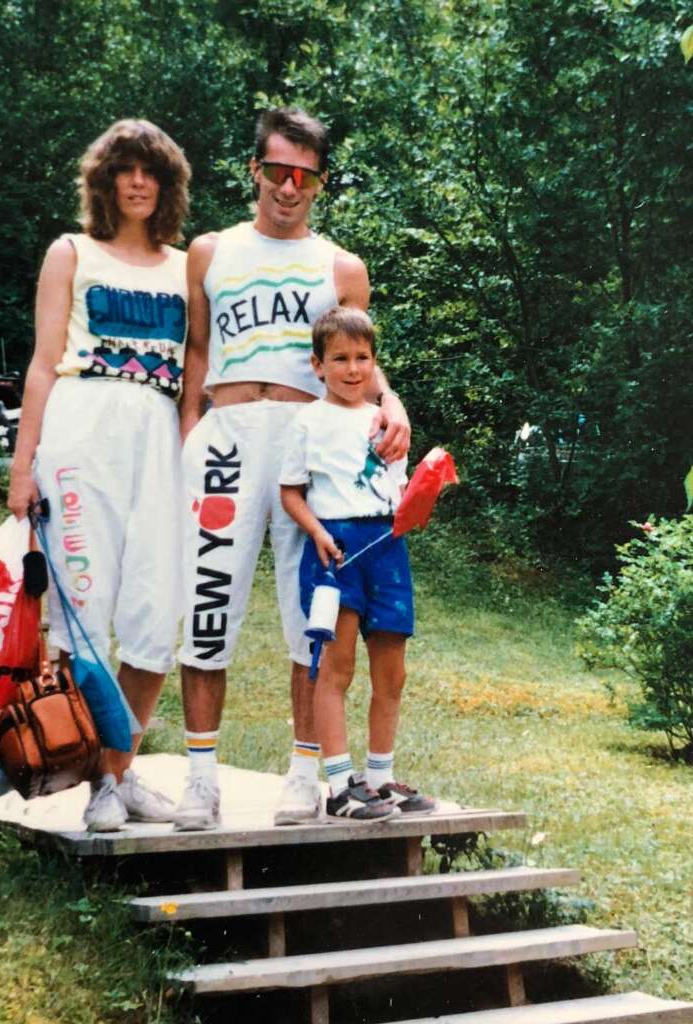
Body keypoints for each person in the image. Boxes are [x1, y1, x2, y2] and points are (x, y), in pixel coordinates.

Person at [174, 107, 411, 830]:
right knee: (208, 605)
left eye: (304, 176)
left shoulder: (340, 267)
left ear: (320, 182)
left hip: (309, 446)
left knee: (313, 618)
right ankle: (200, 778)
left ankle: (305, 775)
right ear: (255, 170)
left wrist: (393, 402)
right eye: (277, 171)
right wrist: (190, 432)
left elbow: (359, 364)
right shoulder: (211, 252)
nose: (288, 187)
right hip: (227, 436)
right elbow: (197, 351)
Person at [7, 119, 190, 831]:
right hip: (83, 432)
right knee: (82, 615)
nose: (137, 181)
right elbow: (43, 362)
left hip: (160, 436)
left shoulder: (185, 267)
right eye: (125, 169)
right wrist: (23, 464)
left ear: (166, 184)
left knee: (154, 614)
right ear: (105, 180)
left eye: (151, 170)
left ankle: (122, 771)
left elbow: (200, 369)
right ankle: (94, 785)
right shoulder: (71, 252)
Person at [279, 306, 436, 820]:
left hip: (386, 545)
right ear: (318, 364)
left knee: (391, 672)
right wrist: (319, 534)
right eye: (340, 358)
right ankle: (340, 784)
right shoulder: (307, 421)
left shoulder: (385, 420)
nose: (352, 369)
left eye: (362, 358)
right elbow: (291, 493)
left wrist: (419, 504)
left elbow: (396, 488)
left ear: (374, 363)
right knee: (336, 667)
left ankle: (380, 777)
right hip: (337, 549)